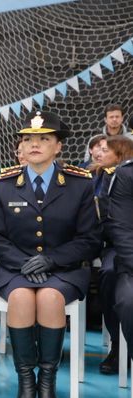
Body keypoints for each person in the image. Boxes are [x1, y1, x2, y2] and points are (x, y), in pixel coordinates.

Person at [0, 111, 102, 398]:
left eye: (44, 139)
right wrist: (23, 263)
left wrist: (53, 259)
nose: (35, 144)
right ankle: (27, 384)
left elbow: (90, 239)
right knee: (22, 297)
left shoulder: (79, 184)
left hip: (64, 267)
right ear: (21, 147)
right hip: (15, 267)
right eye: (28, 139)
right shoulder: (4, 184)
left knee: (50, 298)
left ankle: (46, 384)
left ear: (59, 146)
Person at [91, 135, 133, 374]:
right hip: (112, 243)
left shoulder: (122, 176)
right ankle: (118, 345)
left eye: (105, 150)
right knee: (108, 272)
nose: (98, 153)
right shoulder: (96, 176)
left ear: (121, 155)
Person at [107, 136, 133, 389]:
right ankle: (117, 343)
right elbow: (122, 229)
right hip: (131, 261)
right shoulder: (126, 175)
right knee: (128, 301)